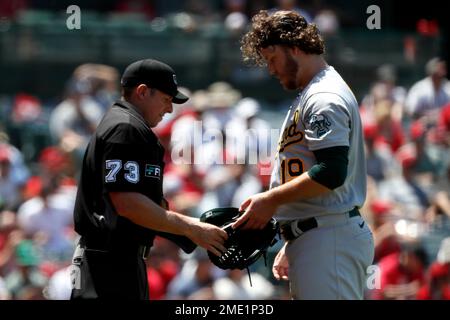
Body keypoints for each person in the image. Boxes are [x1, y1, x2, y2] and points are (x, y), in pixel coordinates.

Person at [233, 10, 374, 299]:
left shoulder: (324, 97)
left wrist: (270, 201)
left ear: (294, 47)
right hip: (319, 234)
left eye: (272, 58)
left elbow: (331, 171)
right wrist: (296, 234)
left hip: (328, 237)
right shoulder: (313, 92)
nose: (270, 69)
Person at [70, 59, 227, 300]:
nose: (170, 109)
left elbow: (140, 204)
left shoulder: (129, 125)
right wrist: (191, 227)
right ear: (143, 92)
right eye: (166, 99)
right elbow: (127, 203)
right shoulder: (125, 128)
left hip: (116, 261)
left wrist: (192, 231)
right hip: (109, 265)